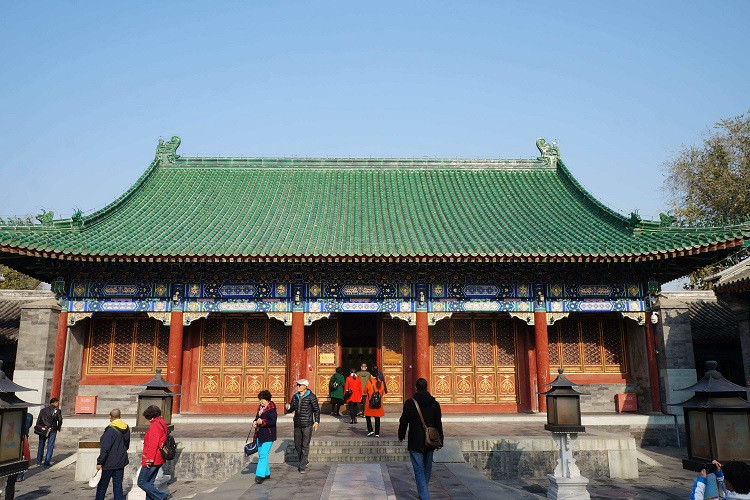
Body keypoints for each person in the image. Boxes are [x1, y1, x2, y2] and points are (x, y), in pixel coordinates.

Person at [398, 378, 444, 500]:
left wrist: (401, 435)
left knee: (418, 470)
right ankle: (423, 492)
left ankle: (424, 496)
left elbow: (403, 421)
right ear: (427, 387)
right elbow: (438, 423)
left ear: (416, 388)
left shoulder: (410, 403)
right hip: (430, 440)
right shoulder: (434, 404)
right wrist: (441, 440)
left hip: (415, 440)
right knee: (427, 469)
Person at [284, 379, 320, 474]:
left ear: (305, 386)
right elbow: (291, 408)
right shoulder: (295, 397)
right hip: (297, 423)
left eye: (300, 385)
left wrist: (316, 422)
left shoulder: (311, 397)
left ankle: (302, 466)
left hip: (307, 424)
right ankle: (304, 460)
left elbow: (316, 410)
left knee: (305, 445)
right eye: (298, 385)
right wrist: (288, 407)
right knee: (297, 444)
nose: (298, 387)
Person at [95, 408, 130, 500]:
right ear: (120, 416)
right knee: (118, 487)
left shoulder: (110, 430)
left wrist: (100, 462)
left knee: (102, 487)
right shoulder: (126, 427)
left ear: (110, 417)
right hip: (120, 461)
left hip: (108, 463)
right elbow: (127, 445)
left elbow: (105, 449)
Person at [137, 405, 168, 500]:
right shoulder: (162, 422)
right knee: (150, 483)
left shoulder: (155, 425)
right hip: (159, 457)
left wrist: (149, 459)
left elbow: (153, 444)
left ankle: (162, 496)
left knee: (141, 482)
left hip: (153, 458)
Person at [252, 390, 277, 484]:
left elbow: (273, 421)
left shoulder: (272, 409)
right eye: (260, 400)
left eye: (262, 400)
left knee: (263, 454)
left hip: (268, 435)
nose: (261, 402)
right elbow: (256, 418)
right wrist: (255, 422)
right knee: (262, 454)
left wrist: (263, 422)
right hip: (259, 434)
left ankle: (260, 475)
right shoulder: (260, 408)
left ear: (267, 400)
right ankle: (266, 473)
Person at [36, 397, 63, 466]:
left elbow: (39, 419)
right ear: (54, 403)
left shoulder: (43, 410)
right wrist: (58, 427)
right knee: (50, 445)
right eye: (57, 402)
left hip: (43, 429)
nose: (58, 404)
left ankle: (38, 461)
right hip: (52, 429)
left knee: (41, 445)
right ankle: (46, 462)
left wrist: (38, 427)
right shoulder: (57, 411)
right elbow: (60, 420)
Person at [17, 411, 32, 481]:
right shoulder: (29, 416)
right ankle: (20, 475)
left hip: (15, 437)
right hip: (24, 436)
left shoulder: (15, 415)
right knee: (22, 456)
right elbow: (29, 425)